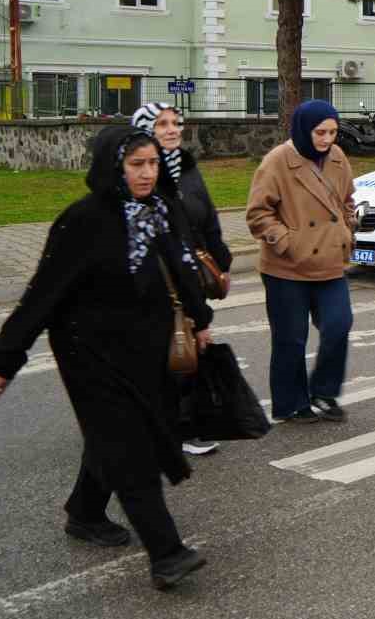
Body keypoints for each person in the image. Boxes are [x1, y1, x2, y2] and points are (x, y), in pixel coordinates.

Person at [0, 125, 213, 590]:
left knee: (117, 435)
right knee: (130, 449)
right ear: (114, 167)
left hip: (143, 349)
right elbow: (41, 296)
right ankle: (166, 553)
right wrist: (2, 361)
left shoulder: (156, 210)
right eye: (136, 165)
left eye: (151, 164)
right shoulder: (82, 221)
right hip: (88, 353)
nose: (147, 174)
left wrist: (200, 317)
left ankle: (84, 511)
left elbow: (183, 265)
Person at [245, 100, 357, 424]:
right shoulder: (277, 161)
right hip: (287, 268)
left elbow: (347, 198)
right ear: (303, 129)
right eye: (320, 132)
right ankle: (291, 403)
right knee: (291, 339)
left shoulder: (337, 157)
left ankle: (323, 391)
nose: (327, 139)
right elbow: (257, 213)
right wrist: (287, 242)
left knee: (338, 324)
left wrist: (347, 229)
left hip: (330, 263)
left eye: (333, 132)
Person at [131, 101, 232, 458]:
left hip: (189, 273)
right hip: (155, 280)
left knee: (188, 350)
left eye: (176, 123)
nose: (173, 129)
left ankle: (182, 424)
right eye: (162, 124)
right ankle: (162, 427)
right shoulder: (140, 176)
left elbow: (207, 216)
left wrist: (221, 259)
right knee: (166, 352)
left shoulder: (186, 168)